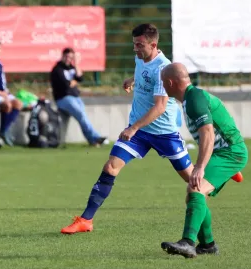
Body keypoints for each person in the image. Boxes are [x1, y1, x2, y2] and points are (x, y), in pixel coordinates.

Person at [61, 23, 193, 234]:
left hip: (164, 133)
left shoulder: (163, 68)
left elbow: (159, 107)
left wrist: (133, 128)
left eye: (139, 45)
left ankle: (222, 172)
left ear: (154, 44)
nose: (135, 49)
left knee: (193, 179)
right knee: (110, 167)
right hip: (140, 132)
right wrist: (132, 80)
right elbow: (143, 74)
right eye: (134, 44)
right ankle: (86, 220)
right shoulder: (140, 57)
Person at [160, 63, 247, 258]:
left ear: (171, 82)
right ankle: (207, 245)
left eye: (163, 83)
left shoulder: (194, 99)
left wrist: (200, 167)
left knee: (195, 189)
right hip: (223, 153)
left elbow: (207, 132)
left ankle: (188, 243)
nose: (163, 87)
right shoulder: (191, 98)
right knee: (193, 194)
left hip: (230, 153)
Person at [51, 48, 107, 147]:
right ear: (62, 56)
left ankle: (93, 141)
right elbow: (66, 84)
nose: (68, 59)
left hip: (75, 97)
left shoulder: (72, 68)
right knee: (81, 115)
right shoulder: (57, 70)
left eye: (71, 57)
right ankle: (95, 137)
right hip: (64, 98)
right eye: (67, 56)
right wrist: (74, 80)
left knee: (83, 117)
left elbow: (80, 78)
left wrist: (76, 65)